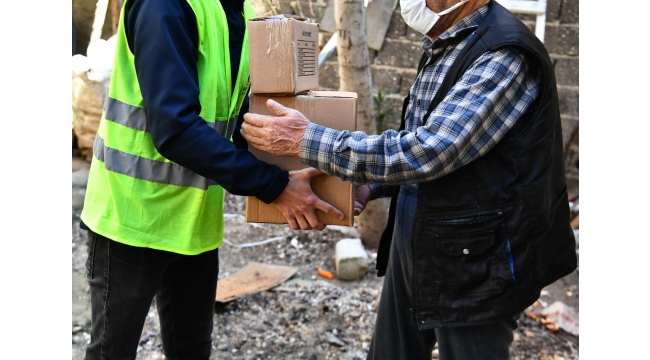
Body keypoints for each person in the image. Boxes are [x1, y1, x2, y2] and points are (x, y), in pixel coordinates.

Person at [241, 0, 577, 358]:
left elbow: (432, 150)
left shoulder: (502, 54)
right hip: (420, 236)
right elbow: (424, 139)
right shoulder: (449, 41)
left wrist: (306, 140)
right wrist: (375, 185)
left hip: (478, 260)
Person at [79, 0, 344, 358]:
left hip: (195, 223)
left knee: (191, 349)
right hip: (131, 218)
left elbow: (235, 122)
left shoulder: (243, 13)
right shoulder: (164, 6)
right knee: (112, 350)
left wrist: (314, 176)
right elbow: (174, 129)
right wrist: (275, 186)